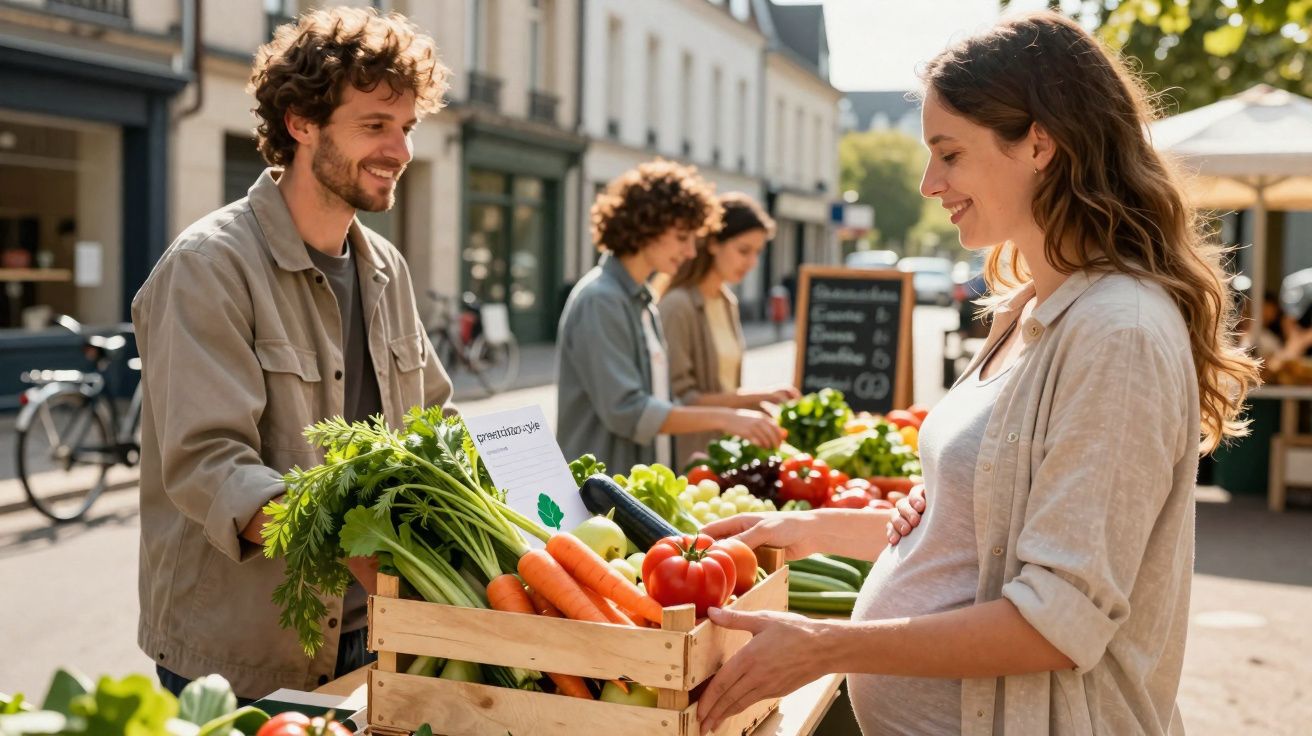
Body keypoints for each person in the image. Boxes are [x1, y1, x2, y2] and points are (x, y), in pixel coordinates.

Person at [693, 11, 1261, 735]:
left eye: (950, 154)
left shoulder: (1120, 336)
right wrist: (806, 528)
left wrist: (826, 645)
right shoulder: (1030, 308)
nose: (931, 183)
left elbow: (1058, 624)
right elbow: (973, 544)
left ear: (1040, 143)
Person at [131, 7, 453, 700]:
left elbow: (434, 422)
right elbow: (209, 466)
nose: (400, 150)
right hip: (241, 650)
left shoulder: (386, 267)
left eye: (407, 128)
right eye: (375, 125)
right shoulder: (209, 267)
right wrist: (358, 544)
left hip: (378, 632)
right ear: (301, 123)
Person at [556, 160, 786, 472]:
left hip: (629, 487)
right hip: (598, 493)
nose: (692, 251)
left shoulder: (641, 301)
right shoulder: (602, 300)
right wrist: (728, 417)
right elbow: (628, 412)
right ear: (644, 228)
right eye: (682, 238)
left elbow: (661, 403)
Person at [656, 193, 800, 468]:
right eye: (744, 250)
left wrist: (761, 401)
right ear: (712, 243)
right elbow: (678, 399)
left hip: (722, 454)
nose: (752, 262)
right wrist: (754, 398)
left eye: (758, 252)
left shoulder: (727, 301)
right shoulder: (677, 306)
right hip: (688, 461)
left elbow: (722, 387)